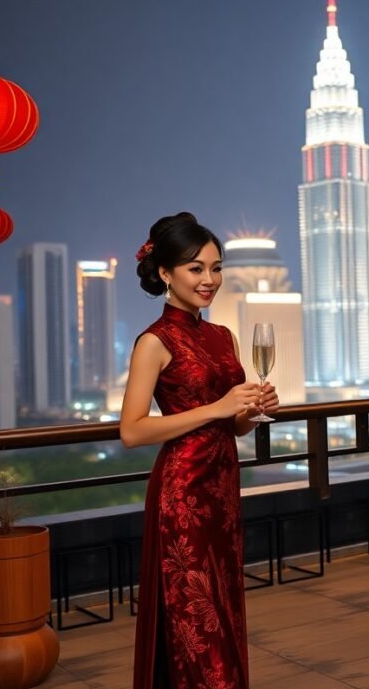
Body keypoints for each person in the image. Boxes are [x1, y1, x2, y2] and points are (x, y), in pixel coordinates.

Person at [120, 212, 278, 689]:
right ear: (165, 273)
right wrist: (218, 407)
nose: (209, 279)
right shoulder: (154, 340)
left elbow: (236, 427)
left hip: (222, 490)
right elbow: (132, 431)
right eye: (195, 268)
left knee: (224, 604)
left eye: (216, 267)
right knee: (195, 616)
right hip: (182, 494)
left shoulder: (221, 336)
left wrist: (250, 410)